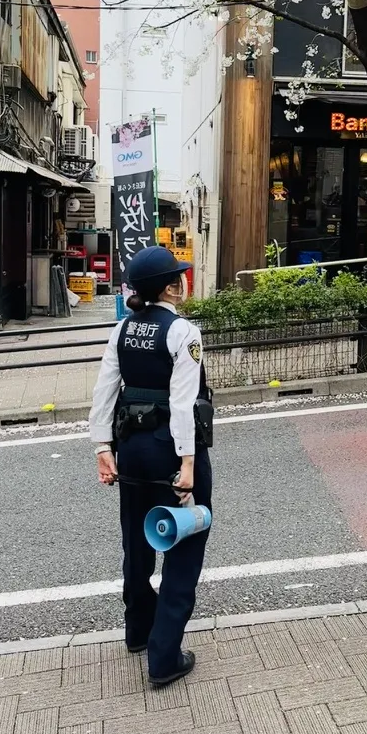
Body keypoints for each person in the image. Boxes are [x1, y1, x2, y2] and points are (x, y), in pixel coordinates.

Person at [88, 246, 212, 687]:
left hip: (131, 448)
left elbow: (105, 389)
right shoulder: (183, 332)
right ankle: (163, 657)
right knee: (184, 549)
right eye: (179, 276)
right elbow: (182, 403)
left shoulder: (122, 328)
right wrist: (188, 463)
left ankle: (138, 630)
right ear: (168, 286)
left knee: (136, 542)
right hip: (169, 452)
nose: (184, 280)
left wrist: (103, 446)